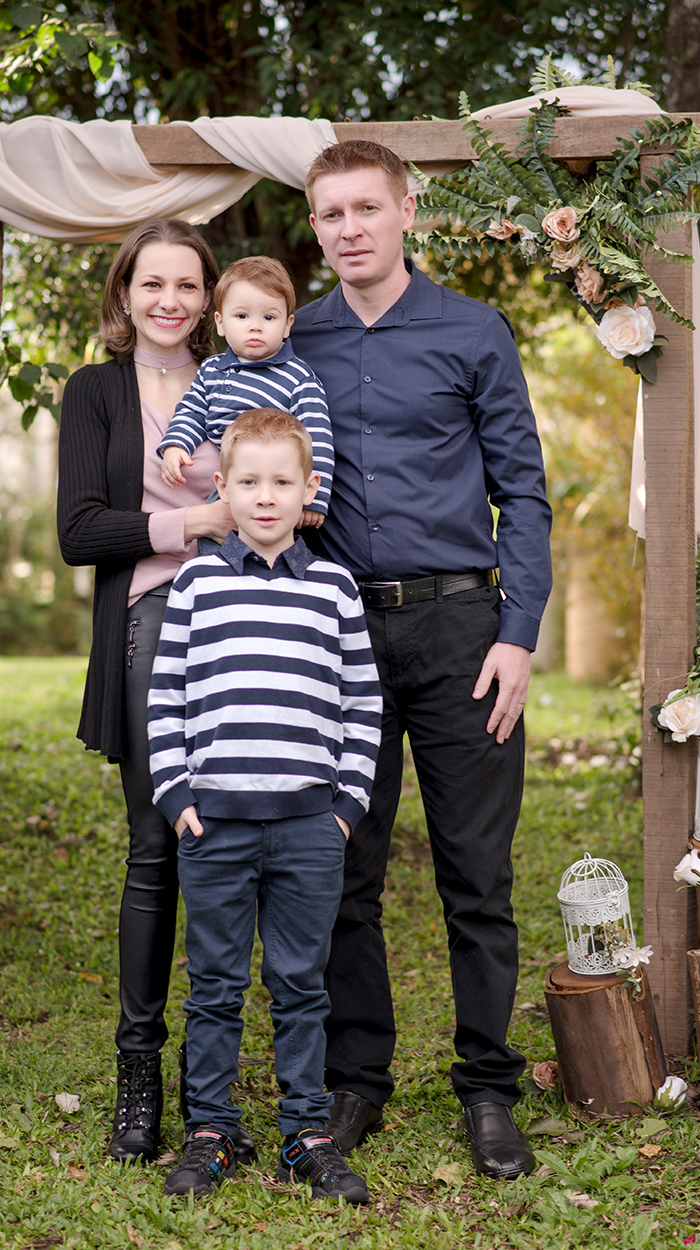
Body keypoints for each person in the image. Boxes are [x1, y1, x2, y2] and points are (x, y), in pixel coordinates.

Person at [290, 140, 553, 1181]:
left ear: (407, 211)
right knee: (341, 866)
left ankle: (488, 1086)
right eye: (327, 214)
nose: (347, 228)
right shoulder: (290, 338)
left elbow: (522, 492)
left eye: (364, 207)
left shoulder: (472, 331)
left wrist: (517, 632)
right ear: (314, 228)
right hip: (335, 634)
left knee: (474, 872)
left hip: (459, 632)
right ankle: (355, 1076)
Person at [57, 217, 254, 1167]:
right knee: (157, 842)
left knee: (236, 839)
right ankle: (141, 1072)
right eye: (151, 285)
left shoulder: (243, 382)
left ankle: (217, 1084)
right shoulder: (94, 391)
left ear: (210, 298)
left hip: (251, 624)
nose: (169, 302)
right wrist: (202, 520)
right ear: (124, 295)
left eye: (187, 286)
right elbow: (81, 530)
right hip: (153, 617)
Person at [147, 408, 383, 1201]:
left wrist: (345, 807)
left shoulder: (335, 587)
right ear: (224, 487)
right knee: (214, 982)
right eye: (249, 481)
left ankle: (306, 1132)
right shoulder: (197, 582)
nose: (266, 496)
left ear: (310, 489)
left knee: (301, 983)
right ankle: (212, 1129)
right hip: (215, 823)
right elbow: (167, 697)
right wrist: (176, 792)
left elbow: (362, 704)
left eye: (283, 481)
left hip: (309, 826)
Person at [158, 256, 333, 530]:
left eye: (269, 317)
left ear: (287, 325)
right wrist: (176, 444)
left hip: (274, 489)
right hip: (226, 488)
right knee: (213, 540)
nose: (255, 325)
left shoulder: (298, 379)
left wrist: (314, 500)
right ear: (220, 322)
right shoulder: (212, 370)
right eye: (241, 316)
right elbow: (191, 411)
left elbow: (318, 441)